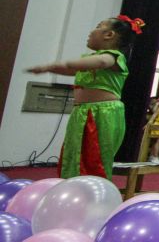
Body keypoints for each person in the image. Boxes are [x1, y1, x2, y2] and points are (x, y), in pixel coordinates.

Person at [27, 15, 143, 179]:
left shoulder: (113, 56)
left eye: (98, 26)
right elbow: (70, 70)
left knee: (94, 156)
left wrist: (59, 64)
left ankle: (92, 189)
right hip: (82, 112)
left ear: (109, 35)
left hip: (102, 113)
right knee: (74, 152)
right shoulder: (90, 60)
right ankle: (70, 185)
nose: (91, 31)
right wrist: (48, 69)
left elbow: (101, 62)